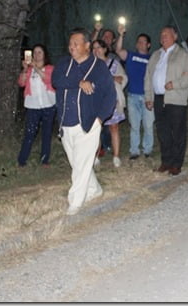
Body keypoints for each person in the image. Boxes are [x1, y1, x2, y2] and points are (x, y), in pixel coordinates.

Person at [52, 28, 116, 215]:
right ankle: (95, 190)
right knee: (78, 163)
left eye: (76, 44)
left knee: (80, 165)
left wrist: (100, 118)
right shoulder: (64, 64)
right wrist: (79, 82)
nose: (71, 47)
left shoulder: (99, 67)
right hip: (66, 123)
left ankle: (75, 203)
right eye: (70, 44)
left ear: (87, 45)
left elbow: (110, 95)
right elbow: (57, 81)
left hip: (88, 123)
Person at [144, 26, 188, 175]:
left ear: (174, 36)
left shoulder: (182, 54)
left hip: (176, 99)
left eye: (166, 35)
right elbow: (148, 77)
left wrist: (175, 84)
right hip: (159, 99)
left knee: (177, 133)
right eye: (161, 35)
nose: (163, 37)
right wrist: (149, 97)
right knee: (163, 133)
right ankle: (166, 162)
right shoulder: (155, 55)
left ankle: (176, 164)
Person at [115, 27, 154, 160]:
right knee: (134, 125)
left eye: (143, 42)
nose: (140, 43)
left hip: (148, 97)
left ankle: (148, 149)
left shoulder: (153, 58)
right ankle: (134, 151)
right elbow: (118, 50)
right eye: (138, 41)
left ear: (148, 45)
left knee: (148, 125)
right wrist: (121, 35)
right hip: (132, 96)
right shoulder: (131, 56)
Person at [17, 44, 56, 167]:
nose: (37, 55)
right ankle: (22, 161)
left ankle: (44, 160)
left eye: (40, 52)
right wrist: (24, 69)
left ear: (45, 54)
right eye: (35, 52)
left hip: (48, 104)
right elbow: (21, 83)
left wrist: (36, 68)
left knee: (46, 133)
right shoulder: (28, 70)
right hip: (32, 106)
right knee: (29, 133)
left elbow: (49, 80)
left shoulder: (50, 68)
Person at [92, 39, 127, 168]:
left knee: (114, 128)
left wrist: (114, 80)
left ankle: (116, 156)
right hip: (95, 101)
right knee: (96, 130)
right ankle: (95, 156)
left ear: (105, 49)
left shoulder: (114, 63)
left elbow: (123, 78)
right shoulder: (90, 65)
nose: (96, 50)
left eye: (99, 47)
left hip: (112, 100)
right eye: (94, 48)